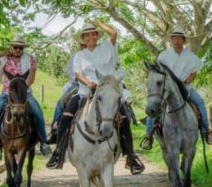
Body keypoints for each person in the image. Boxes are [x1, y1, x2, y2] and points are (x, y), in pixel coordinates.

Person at [46, 22, 145, 175]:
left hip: (107, 92)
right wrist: (89, 84)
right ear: (83, 39)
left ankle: (131, 156)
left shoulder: (106, 47)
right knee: (65, 117)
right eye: (87, 35)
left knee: (124, 118)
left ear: (97, 36)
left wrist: (98, 24)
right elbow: (78, 74)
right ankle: (58, 152)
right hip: (86, 91)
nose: (91, 37)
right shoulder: (79, 55)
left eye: (93, 34)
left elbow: (113, 34)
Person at [141, 27, 212, 150]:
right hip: (167, 88)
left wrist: (184, 82)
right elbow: (159, 74)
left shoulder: (191, 56)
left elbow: (194, 74)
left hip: (185, 87)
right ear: (171, 40)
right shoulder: (163, 56)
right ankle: (149, 134)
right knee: (154, 104)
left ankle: (206, 131)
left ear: (183, 40)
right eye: (174, 38)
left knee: (200, 102)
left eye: (179, 38)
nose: (176, 40)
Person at [0, 35, 52, 160]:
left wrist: (21, 90)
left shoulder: (31, 59)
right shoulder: (5, 59)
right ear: (11, 47)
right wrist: (0, 54)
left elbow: (31, 78)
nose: (17, 50)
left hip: (25, 93)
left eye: (20, 47)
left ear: (23, 48)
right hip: (7, 93)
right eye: (15, 47)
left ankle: (44, 142)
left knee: (38, 113)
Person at [47, 42, 87, 143]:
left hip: (97, 86)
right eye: (83, 45)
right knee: (61, 103)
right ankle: (54, 130)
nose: (85, 46)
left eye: (86, 45)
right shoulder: (76, 57)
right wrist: (79, 79)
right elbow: (71, 71)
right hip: (78, 85)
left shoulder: (98, 56)